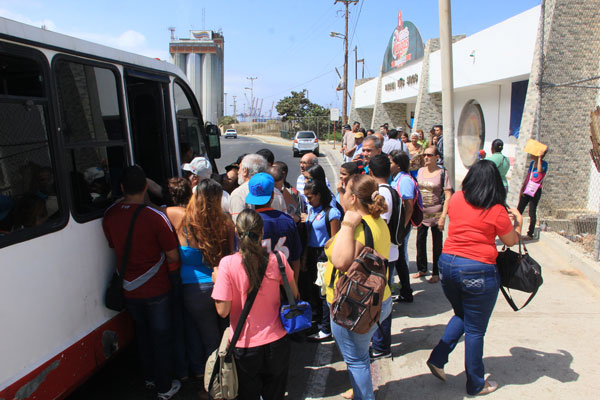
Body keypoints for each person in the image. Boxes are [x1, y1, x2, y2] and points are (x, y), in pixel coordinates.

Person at [426, 160, 522, 396]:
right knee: (476, 329)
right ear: (494, 184)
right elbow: (510, 241)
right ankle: (476, 383)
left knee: (462, 314)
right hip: (478, 269)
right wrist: (518, 221)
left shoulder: (458, 198)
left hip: (448, 263)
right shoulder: (496, 209)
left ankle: (438, 358)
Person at [102, 165, 181, 400]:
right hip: (157, 289)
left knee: (143, 334)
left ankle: (148, 378)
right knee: (161, 337)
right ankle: (164, 386)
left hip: (128, 288)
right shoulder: (156, 216)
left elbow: (112, 245)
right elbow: (173, 256)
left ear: (122, 188)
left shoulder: (109, 215)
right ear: (146, 187)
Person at [212, 209, 299, 400]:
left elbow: (222, 311)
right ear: (262, 232)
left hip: (245, 346)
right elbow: (294, 293)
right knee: (275, 394)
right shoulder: (278, 259)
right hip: (277, 340)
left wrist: (217, 279)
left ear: (237, 232)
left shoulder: (227, 265)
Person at [324, 174, 393, 400]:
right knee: (361, 353)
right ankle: (359, 389)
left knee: (356, 359)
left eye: (343, 190)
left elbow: (341, 261)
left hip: (353, 305)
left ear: (353, 198)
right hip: (378, 299)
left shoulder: (357, 227)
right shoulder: (379, 220)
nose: (339, 194)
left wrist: (346, 224)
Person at [174, 178, 235, 386]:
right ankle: (224, 378)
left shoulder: (181, 219)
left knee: (201, 336)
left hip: (193, 290)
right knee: (223, 336)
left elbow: (153, 210)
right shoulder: (226, 221)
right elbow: (230, 255)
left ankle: (212, 382)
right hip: (220, 285)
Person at [302, 178, 341, 342]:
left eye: (310, 197)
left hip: (324, 255)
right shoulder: (311, 210)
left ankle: (326, 328)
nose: (308, 201)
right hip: (311, 253)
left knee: (324, 292)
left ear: (319, 195)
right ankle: (317, 321)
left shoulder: (332, 213)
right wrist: (304, 257)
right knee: (313, 291)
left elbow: (335, 239)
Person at [368, 154, 399, 359]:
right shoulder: (391, 190)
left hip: (383, 255)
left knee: (381, 299)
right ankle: (380, 342)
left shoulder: (382, 194)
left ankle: (381, 346)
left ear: (370, 172)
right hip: (389, 252)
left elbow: (381, 225)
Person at [246, 173, 303, 282]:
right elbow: (296, 257)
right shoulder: (288, 221)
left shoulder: (247, 223)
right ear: (272, 195)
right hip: (285, 281)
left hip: (259, 283)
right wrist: (294, 284)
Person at [414, 147, 453, 283]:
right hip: (421, 213)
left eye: (429, 155)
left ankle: (436, 271)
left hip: (436, 213)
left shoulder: (442, 173)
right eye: (424, 155)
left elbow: (448, 196)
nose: (426, 157)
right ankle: (422, 269)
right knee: (420, 242)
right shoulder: (420, 171)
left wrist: (443, 217)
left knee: (437, 244)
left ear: (437, 157)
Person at [388, 150, 415, 302]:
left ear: (398, 165)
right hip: (398, 225)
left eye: (391, 162)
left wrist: (402, 227)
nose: (389, 165)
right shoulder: (395, 178)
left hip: (401, 226)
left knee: (400, 259)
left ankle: (406, 290)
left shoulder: (404, 180)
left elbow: (409, 206)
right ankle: (405, 290)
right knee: (397, 259)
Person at [230, 154, 285, 222]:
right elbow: (284, 219)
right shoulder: (277, 193)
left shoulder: (238, 194)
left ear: (245, 171)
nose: (238, 172)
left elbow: (238, 226)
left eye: (239, 168)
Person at [517, 149, 548, 240]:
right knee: (519, 210)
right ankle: (515, 231)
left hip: (536, 190)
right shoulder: (531, 164)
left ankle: (530, 233)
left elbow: (539, 171)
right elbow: (528, 176)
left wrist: (539, 158)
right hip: (527, 188)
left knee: (532, 211)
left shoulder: (544, 164)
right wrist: (522, 188)